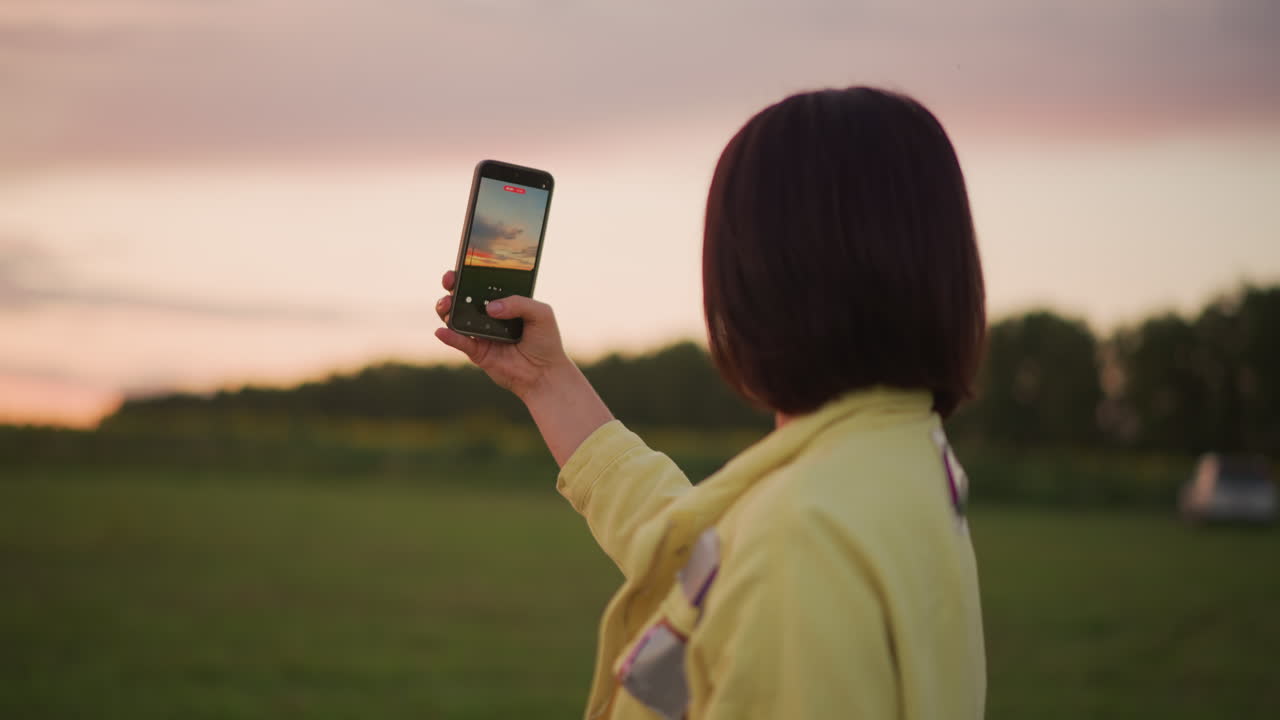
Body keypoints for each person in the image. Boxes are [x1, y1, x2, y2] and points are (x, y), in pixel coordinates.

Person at [433, 86, 986, 720]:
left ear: (758, 276)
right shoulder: (901, 463)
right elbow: (704, 553)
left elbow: (763, 556)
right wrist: (545, 381)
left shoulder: (801, 540)